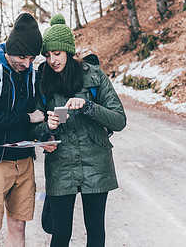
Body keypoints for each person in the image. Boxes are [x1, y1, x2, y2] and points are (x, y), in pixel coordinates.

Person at [31, 14, 127, 247]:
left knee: (95, 232)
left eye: (57, 53)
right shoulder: (42, 81)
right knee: (60, 233)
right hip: (60, 166)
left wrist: (90, 107)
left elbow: (119, 120)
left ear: (68, 51)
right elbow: (33, 128)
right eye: (47, 55)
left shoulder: (94, 75)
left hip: (96, 163)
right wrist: (46, 128)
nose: (52, 60)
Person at [0, 13, 49, 247]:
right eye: (22, 57)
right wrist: (27, 118)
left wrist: (45, 134)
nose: (26, 64)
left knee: (18, 225)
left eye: (31, 58)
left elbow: (39, 116)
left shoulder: (30, 74)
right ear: (10, 48)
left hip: (23, 161)